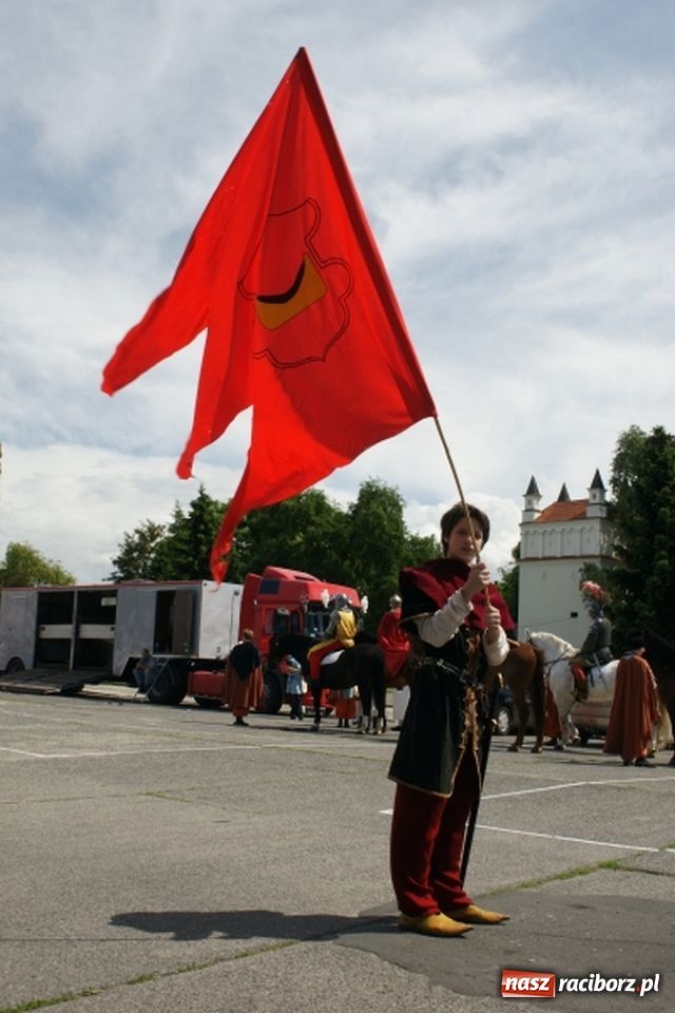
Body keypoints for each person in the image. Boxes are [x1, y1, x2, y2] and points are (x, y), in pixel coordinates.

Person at [388, 503, 512, 938]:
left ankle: (450, 895)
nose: (469, 539)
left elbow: (498, 660)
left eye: (477, 534)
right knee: (424, 802)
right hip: (435, 699)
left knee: (458, 805)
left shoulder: (490, 592)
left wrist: (495, 634)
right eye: (462, 531)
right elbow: (433, 635)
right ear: (446, 537)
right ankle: (415, 904)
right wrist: (464, 595)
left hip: (471, 704)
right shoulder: (423, 579)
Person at [604, 631, 660, 767]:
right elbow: (650, 684)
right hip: (639, 701)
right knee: (640, 726)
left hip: (624, 701)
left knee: (625, 725)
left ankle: (627, 756)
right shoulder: (641, 663)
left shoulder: (622, 661)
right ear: (640, 648)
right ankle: (640, 755)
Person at [569, 581, 613, 698]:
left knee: (574, 664)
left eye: (590, 608)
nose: (589, 611)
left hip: (597, 655)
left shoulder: (596, 623)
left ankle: (582, 691)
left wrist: (580, 652)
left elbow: (590, 643)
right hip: (608, 653)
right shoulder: (607, 621)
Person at [377, 593, 411, 731]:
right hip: (406, 646)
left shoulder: (388, 615)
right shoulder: (406, 614)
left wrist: (385, 645)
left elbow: (382, 633)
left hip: (392, 646)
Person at [307, 593, 358, 683]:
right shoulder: (351, 613)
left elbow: (330, 631)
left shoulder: (336, 613)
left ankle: (315, 679)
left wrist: (323, 636)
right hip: (351, 641)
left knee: (313, 653)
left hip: (340, 641)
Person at [225, 629, 263, 726]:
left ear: (243, 636)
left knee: (238, 696)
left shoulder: (237, 648)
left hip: (238, 677)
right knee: (245, 696)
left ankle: (238, 718)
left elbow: (231, 661)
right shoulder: (254, 649)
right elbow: (257, 663)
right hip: (248, 678)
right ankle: (241, 718)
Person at [284, 654, 305, 721]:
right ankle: (294, 714)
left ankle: (298, 714)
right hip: (295, 684)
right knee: (296, 700)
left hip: (296, 684)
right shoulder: (294, 662)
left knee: (296, 700)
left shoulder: (294, 663)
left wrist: (292, 670)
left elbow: (299, 671)